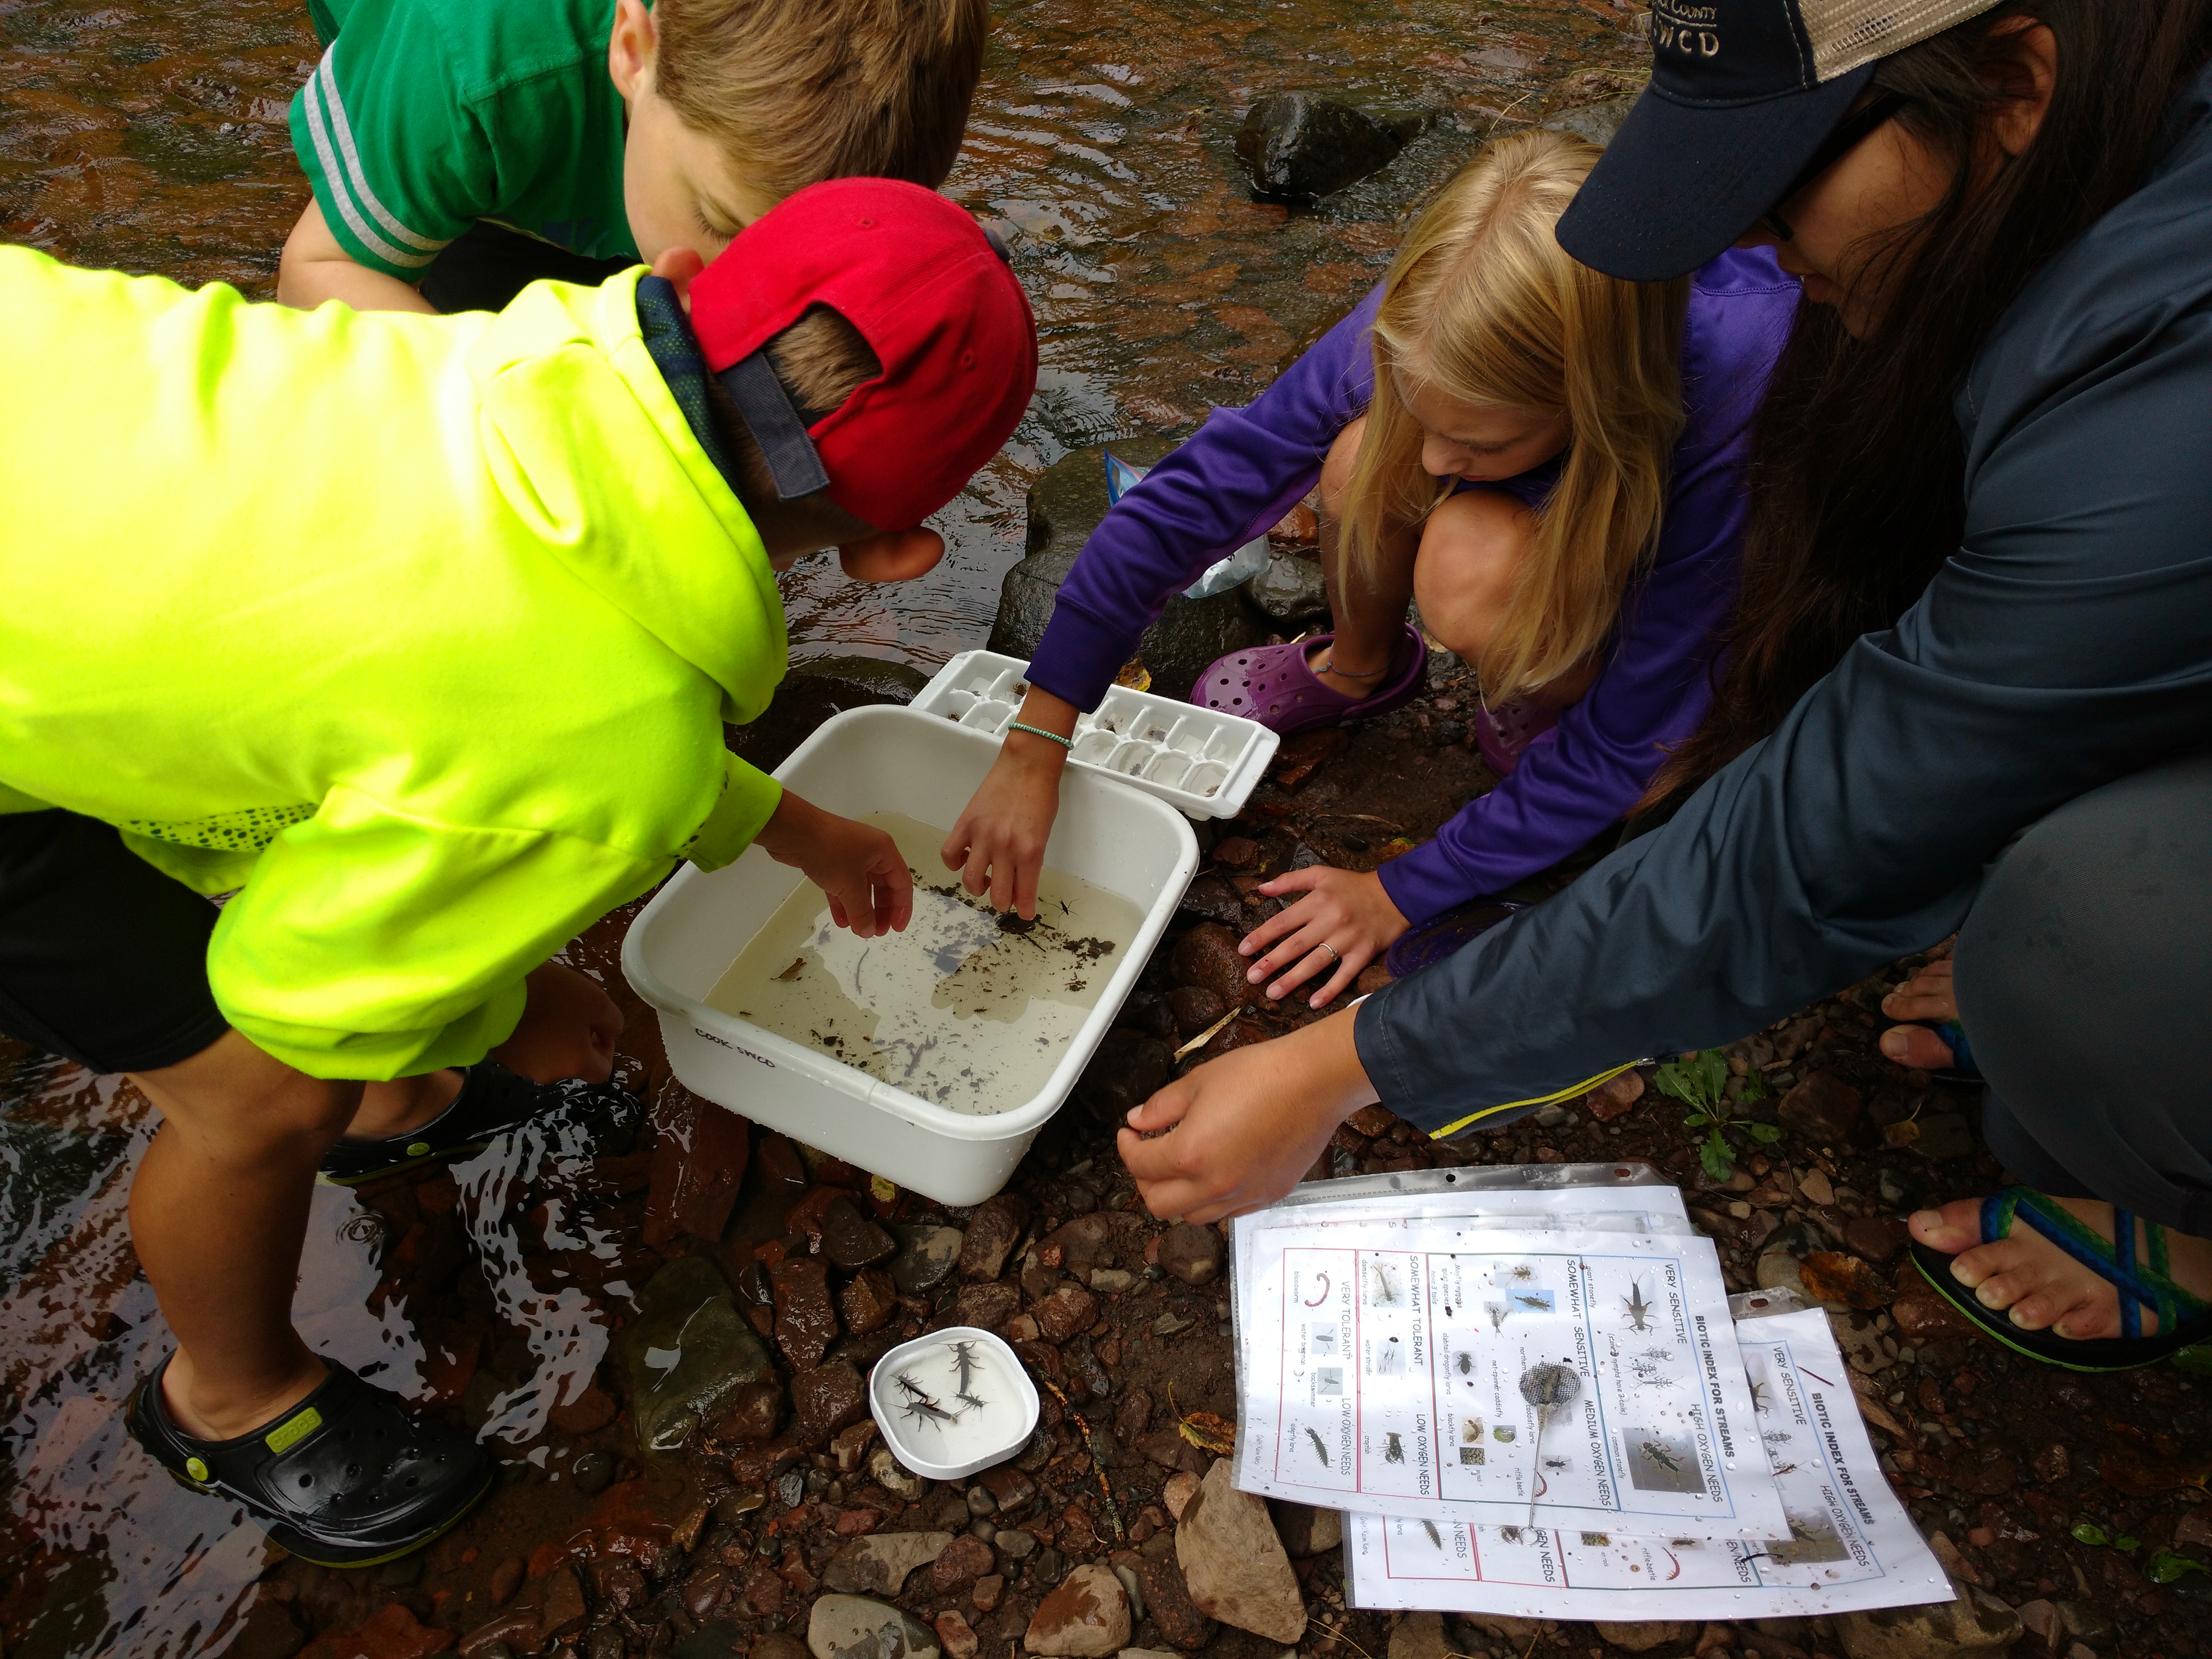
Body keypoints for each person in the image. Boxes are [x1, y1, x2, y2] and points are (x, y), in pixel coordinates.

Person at [1116, 0, 2212, 1373]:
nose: (1747, 242)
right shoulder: (2081, 206)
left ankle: (2174, 1197)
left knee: (2098, 931)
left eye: (1777, 174)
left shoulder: (2161, 407)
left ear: (2013, 84)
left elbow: (1820, 837)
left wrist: (1345, 1062)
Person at [0, 177, 1036, 1560]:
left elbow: (504, 692)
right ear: (894, 554)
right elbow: (296, 983)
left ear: (678, 271)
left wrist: (793, 827)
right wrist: (509, 1008)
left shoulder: (502, 361)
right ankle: (230, 1399)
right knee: (265, 1091)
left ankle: (398, 1110)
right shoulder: (609, 743)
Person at [943, 130, 1797, 1008]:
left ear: (1593, 397)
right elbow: (1189, 501)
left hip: (1705, 556)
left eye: (1474, 440)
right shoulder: (1437, 313)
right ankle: (1363, 666)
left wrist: (1403, 891)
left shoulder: (1731, 404)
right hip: (1587, 477)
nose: (1432, 460)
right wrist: (1038, 735)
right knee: (1358, 458)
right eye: (1421, 411)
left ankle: (1557, 709)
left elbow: (1633, 729)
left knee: (1580, 697)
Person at [278, 0, 987, 314]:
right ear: (631, 52)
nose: (736, 293)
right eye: (719, 223)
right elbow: (318, 276)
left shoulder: (918, 56)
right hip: (473, 82)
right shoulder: (478, 69)